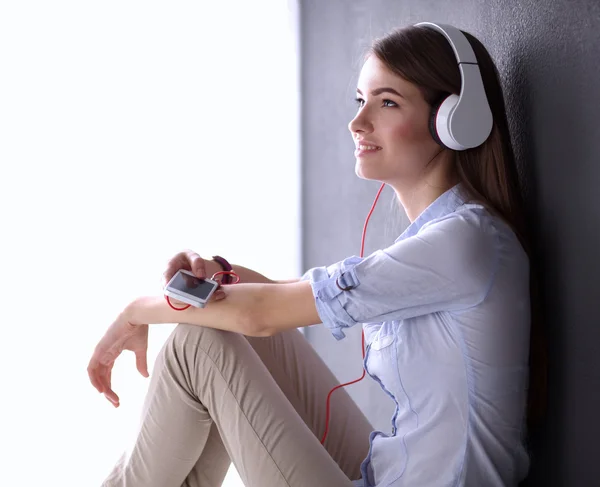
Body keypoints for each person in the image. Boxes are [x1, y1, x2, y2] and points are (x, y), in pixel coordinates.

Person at [88, 22, 543, 487]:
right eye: (360, 101)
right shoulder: (450, 237)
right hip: (384, 474)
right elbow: (290, 296)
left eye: (387, 102)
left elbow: (262, 314)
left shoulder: (464, 241)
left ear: (453, 120)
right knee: (221, 330)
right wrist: (218, 273)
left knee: (195, 345)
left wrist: (137, 312)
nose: (358, 122)